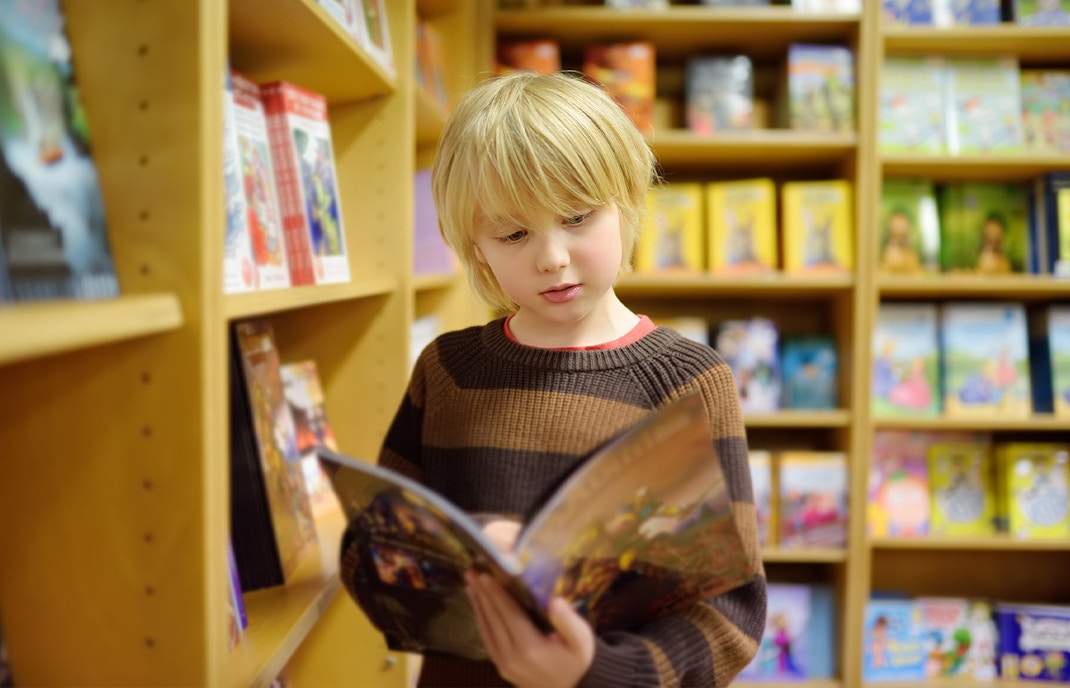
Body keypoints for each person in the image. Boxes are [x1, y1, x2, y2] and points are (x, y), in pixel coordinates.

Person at [375, 70, 766, 687]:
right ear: (477, 247)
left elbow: (728, 613)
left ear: (629, 202)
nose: (551, 256)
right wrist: (467, 548)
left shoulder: (690, 382)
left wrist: (596, 669)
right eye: (513, 233)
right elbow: (381, 550)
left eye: (578, 217)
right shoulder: (446, 371)